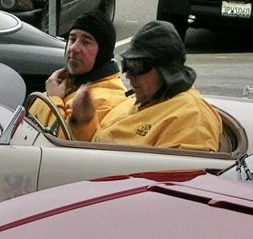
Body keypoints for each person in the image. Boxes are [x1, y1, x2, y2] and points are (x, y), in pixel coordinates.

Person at [69, 20, 223, 151]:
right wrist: (83, 122)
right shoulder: (137, 102)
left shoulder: (192, 120)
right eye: (126, 65)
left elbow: (176, 182)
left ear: (166, 71)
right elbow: (93, 150)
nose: (128, 75)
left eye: (136, 66)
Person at [28, 9, 127, 134]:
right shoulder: (67, 83)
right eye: (72, 39)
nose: (74, 48)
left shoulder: (107, 99)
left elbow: (65, 145)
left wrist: (53, 99)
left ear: (102, 53)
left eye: (86, 42)